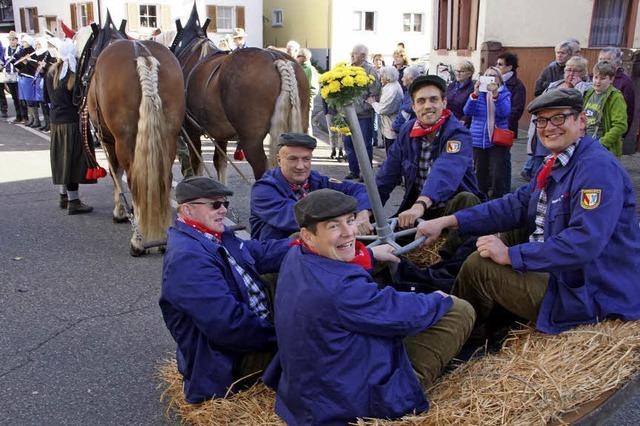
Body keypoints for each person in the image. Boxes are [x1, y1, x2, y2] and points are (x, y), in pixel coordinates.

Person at [416, 88, 640, 336]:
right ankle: (480, 312)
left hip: (590, 291)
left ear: (581, 121)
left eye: (558, 118)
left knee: (479, 265)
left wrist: (512, 255)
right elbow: (515, 204)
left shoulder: (597, 169)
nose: (549, 127)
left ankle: (457, 332)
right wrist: (448, 221)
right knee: (502, 233)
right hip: (565, 271)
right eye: (542, 120)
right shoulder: (559, 160)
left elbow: (584, 242)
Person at [267, 189, 475, 424]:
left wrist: (369, 253)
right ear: (307, 235)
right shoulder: (341, 289)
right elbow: (401, 314)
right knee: (459, 310)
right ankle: (415, 382)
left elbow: (347, 286)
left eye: (350, 220)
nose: (349, 233)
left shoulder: (295, 255)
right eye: (334, 226)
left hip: (306, 390)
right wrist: (438, 298)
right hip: (346, 403)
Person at [160, 176, 292, 404]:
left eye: (225, 204)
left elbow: (259, 252)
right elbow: (229, 326)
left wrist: (303, 244)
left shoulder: (210, 235)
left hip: (246, 328)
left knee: (294, 272)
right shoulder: (188, 258)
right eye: (215, 204)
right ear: (187, 209)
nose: (223, 210)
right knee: (317, 343)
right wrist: (283, 337)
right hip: (229, 361)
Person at [376, 75, 482, 254]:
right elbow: (387, 174)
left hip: (451, 212)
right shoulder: (407, 131)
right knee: (381, 247)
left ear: (444, 103)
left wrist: (421, 204)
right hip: (420, 212)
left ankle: (445, 260)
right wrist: (366, 210)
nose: (428, 106)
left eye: (434, 99)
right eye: (421, 101)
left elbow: (445, 171)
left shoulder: (458, 134)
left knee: (467, 198)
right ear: (413, 106)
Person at [250, 133, 373, 240]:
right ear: (279, 160)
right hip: (278, 258)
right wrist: (349, 219)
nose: (300, 166)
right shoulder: (264, 190)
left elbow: (359, 189)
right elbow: (301, 218)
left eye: (306, 159)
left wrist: (363, 211)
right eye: (293, 159)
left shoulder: (315, 180)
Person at [522, 56, 592, 181]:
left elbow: (581, 108)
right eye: (568, 70)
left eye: (575, 71)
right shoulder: (554, 85)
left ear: (583, 73)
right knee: (539, 171)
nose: (571, 74)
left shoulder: (588, 89)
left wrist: (578, 86)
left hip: (564, 137)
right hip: (544, 135)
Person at [46, 40, 93, 214]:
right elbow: (80, 101)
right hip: (72, 123)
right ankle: (74, 202)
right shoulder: (73, 76)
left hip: (56, 123)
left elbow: (46, 97)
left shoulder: (51, 72)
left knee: (61, 160)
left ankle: (63, 196)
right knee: (72, 163)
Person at [464, 66, 512, 199]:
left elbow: (504, 113)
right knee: (479, 173)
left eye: (494, 76)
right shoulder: (478, 94)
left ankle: (496, 200)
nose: (490, 78)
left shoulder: (504, 94)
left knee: (497, 174)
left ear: (499, 80)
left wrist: (495, 96)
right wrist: (474, 94)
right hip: (479, 139)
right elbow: (467, 112)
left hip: (497, 140)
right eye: (487, 75)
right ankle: (481, 199)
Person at [342, 43, 381, 180]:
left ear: (363, 56)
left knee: (364, 145)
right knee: (348, 143)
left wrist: (363, 107)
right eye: (351, 53)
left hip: (363, 116)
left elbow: (375, 93)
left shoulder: (370, 71)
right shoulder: (347, 69)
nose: (351, 55)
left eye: (355, 53)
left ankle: (366, 173)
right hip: (347, 114)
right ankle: (354, 170)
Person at [583, 61, 628, 157]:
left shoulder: (615, 97)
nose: (598, 82)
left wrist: (602, 143)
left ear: (611, 79)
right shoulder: (589, 93)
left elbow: (620, 126)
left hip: (603, 147)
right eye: (595, 77)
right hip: (585, 143)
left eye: (603, 79)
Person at [496, 52, 526, 192]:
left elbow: (517, 109)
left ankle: (503, 189)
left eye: (500, 64)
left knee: (503, 160)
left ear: (510, 67)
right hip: (491, 128)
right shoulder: (494, 81)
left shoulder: (517, 85)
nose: (497, 66)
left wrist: (502, 122)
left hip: (504, 129)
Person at [598, 47, 634, 136]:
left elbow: (628, 111)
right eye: (600, 59)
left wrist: (621, 135)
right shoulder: (593, 77)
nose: (602, 63)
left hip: (611, 132)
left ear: (616, 62)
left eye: (606, 60)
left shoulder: (625, 82)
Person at [367, 65, 403, 151]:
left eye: (382, 76)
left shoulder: (392, 89)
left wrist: (373, 103)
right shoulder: (391, 86)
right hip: (389, 125)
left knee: (391, 151)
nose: (381, 78)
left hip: (391, 125)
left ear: (388, 77)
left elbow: (383, 109)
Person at [391, 65, 421, 134]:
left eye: (404, 77)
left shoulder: (413, 94)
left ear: (410, 78)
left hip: (409, 131)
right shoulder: (411, 91)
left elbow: (405, 114)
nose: (402, 79)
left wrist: (394, 126)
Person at [296, 48, 319, 135]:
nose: (296, 57)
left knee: (306, 125)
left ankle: (308, 143)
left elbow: (314, 89)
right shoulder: (297, 67)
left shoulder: (310, 69)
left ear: (305, 57)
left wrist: (306, 99)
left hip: (305, 102)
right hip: (297, 101)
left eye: (298, 56)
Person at [446, 60, 475, 128]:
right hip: (447, 120)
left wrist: (464, 120)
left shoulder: (472, 88)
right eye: (456, 71)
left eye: (462, 71)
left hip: (461, 123)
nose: (458, 73)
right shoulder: (451, 85)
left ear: (470, 74)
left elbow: (472, 108)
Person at [3, 32, 25, 123]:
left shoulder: (20, 49)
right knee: (14, 97)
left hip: (19, 75)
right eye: (10, 40)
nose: (12, 41)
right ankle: (18, 115)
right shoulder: (6, 49)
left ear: (16, 40)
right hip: (9, 75)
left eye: (13, 39)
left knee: (21, 96)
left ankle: (25, 116)